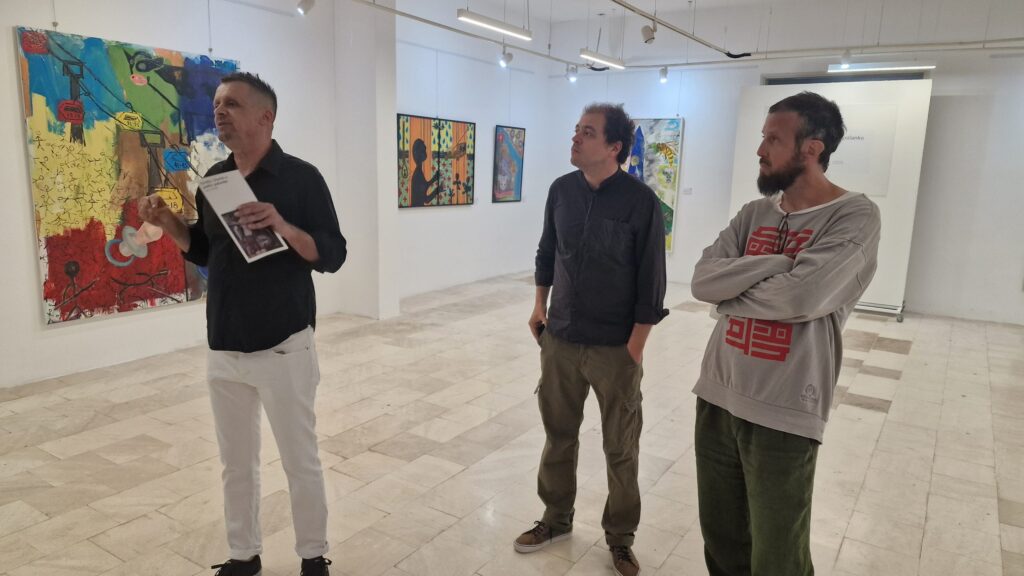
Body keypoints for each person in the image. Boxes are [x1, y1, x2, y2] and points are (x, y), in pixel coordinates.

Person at [139, 71, 346, 576]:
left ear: (265, 116)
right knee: (235, 463)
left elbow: (333, 254)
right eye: (217, 104)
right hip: (225, 344)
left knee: (299, 459)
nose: (220, 112)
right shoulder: (214, 179)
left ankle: (312, 555)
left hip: (284, 345)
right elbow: (205, 250)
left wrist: (282, 224)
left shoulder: (301, 178)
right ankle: (243, 555)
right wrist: (170, 225)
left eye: (231, 104)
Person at [690, 91, 881, 575]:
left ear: (811, 148)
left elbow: (800, 297)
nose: (760, 150)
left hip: (785, 409)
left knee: (778, 557)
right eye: (762, 138)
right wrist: (777, 264)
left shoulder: (854, 216)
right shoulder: (754, 213)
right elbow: (702, 281)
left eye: (773, 140)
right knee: (722, 542)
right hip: (717, 394)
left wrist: (733, 290)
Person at [514, 103, 668, 576]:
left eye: (587, 132)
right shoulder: (561, 191)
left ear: (614, 146)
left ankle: (620, 538)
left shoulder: (641, 202)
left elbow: (652, 280)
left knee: (620, 447)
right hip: (560, 338)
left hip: (615, 347)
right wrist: (539, 306)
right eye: (576, 130)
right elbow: (547, 251)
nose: (576, 138)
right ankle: (555, 518)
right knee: (558, 436)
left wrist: (635, 347)